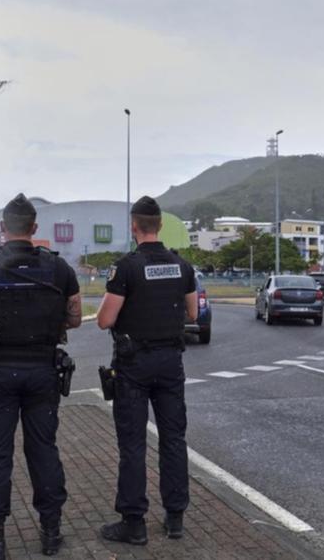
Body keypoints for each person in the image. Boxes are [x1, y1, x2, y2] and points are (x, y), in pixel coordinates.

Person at [0, 194, 82, 558]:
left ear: (3, 229)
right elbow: (74, 318)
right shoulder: (59, 269)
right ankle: (51, 534)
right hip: (43, 373)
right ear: (34, 229)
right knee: (44, 451)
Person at [96, 195, 198, 545]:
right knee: (173, 440)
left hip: (134, 366)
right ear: (160, 226)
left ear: (134, 227)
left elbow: (105, 320)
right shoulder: (182, 266)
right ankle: (175, 518)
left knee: (133, 444)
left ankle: (134, 522)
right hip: (171, 363)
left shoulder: (125, 267)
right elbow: (194, 314)